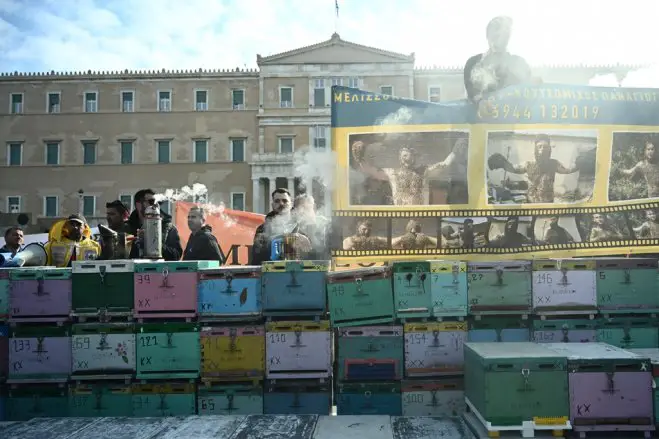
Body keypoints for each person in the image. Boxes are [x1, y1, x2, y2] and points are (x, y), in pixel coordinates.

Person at [351, 138, 468, 206]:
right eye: (402, 156)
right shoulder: (393, 173)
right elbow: (371, 170)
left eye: (407, 155)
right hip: (400, 217)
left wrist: (455, 151)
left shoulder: (423, 172)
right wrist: (359, 157)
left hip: (422, 216)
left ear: (413, 157)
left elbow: (444, 165)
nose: (405, 158)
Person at [488, 134, 580, 203]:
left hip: (548, 204)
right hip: (531, 203)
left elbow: (568, 170)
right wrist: (503, 163)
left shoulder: (554, 164)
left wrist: (580, 163)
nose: (543, 149)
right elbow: (513, 169)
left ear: (549, 149)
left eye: (545, 147)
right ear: (535, 148)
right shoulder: (528, 164)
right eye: (540, 146)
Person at [464, 16, 533, 105]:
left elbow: (529, 95)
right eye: (495, 36)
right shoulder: (473, 64)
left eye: (504, 36)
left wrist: (535, 85)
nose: (499, 40)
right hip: (480, 118)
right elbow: (472, 95)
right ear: (487, 36)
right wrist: (481, 103)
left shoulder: (520, 64)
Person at [251, 188, 311, 264]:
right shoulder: (262, 228)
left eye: (285, 201)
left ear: (291, 203)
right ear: (272, 204)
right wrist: (288, 237)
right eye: (277, 201)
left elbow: (313, 251)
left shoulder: (303, 225)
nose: (281, 204)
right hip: (272, 271)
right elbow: (257, 254)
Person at [126, 188, 183, 261]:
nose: (156, 205)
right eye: (151, 201)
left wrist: (153, 242)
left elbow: (176, 256)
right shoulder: (127, 228)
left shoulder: (168, 228)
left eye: (158, 202)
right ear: (138, 205)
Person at [290, 194, 331, 260]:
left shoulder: (325, 224)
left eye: (307, 208)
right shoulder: (295, 228)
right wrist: (295, 236)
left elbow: (323, 249)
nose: (303, 212)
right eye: (300, 209)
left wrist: (311, 236)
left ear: (313, 208)